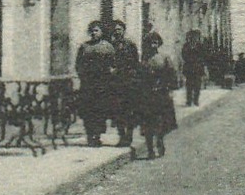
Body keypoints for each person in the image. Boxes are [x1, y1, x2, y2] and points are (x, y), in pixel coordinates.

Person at [74, 20, 114, 146]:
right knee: (87, 110)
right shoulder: (85, 47)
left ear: (102, 32)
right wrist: (82, 76)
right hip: (87, 83)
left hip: (102, 84)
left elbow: (113, 64)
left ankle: (97, 135)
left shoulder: (107, 47)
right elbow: (78, 64)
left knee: (100, 110)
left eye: (96, 30)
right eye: (92, 30)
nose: (94, 33)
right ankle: (89, 135)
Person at [138, 36, 178, 159]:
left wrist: (170, 89)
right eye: (150, 43)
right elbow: (139, 76)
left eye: (155, 43)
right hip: (147, 94)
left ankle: (159, 141)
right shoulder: (143, 59)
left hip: (161, 93)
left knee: (161, 122)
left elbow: (171, 74)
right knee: (147, 123)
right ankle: (150, 149)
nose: (153, 45)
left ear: (159, 44)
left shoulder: (164, 58)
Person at [107, 19, 142, 148]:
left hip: (128, 81)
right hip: (116, 83)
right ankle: (122, 136)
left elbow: (135, 63)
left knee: (129, 110)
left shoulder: (130, 45)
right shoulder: (110, 46)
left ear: (123, 30)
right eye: (115, 30)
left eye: (119, 29)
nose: (117, 32)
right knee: (117, 110)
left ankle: (129, 135)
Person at [180, 29, 207, 107]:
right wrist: (191, 59)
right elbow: (184, 55)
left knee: (197, 85)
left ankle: (196, 100)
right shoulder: (186, 46)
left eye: (195, 36)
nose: (194, 38)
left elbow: (203, 56)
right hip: (189, 68)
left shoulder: (200, 46)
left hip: (198, 68)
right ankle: (188, 101)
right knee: (189, 85)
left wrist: (199, 62)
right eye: (192, 37)